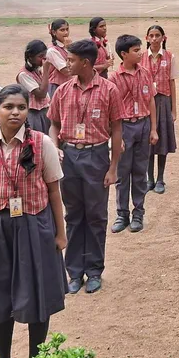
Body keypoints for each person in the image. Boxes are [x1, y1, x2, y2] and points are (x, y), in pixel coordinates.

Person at [0, 84, 68, 358]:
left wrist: (60, 234)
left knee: (38, 296)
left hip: (34, 226)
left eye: (21, 107)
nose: (15, 112)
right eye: (8, 107)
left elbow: (53, 191)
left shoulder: (40, 143)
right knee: (0, 298)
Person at [47, 39, 123, 295]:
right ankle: (74, 271)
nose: (67, 64)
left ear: (86, 62)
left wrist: (113, 168)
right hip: (69, 157)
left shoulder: (109, 90)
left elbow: (116, 129)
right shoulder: (62, 91)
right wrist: (55, 146)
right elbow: (54, 124)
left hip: (96, 156)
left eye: (71, 60)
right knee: (73, 215)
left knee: (96, 216)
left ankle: (94, 270)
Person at [110, 34, 159, 234]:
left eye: (140, 49)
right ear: (124, 54)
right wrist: (116, 137)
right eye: (136, 50)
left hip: (143, 124)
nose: (140, 53)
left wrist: (154, 128)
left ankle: (138, 212)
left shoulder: (145, 73)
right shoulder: (114, 78)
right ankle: (122, 214)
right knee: (122, 173)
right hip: (124, 127)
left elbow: (151, 101)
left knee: (140, 171)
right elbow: (110, 110)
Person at [145, 24, 179, 194]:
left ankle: (160, 178)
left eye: (157, 35)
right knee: (149, 141)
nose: (154, 39)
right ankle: (149, 178)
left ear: (163, 38)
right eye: (151, 35)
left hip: (163, 101)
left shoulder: (169, 57)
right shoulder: (142, 57)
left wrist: (174, 109)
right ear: (147, 38)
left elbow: (172, 82)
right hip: (146, 103)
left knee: (163, 140)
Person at [17, 39, 53, 134]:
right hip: (33, 114)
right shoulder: (23, 75)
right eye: (40, 56)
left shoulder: (36, 70)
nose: (43, 60)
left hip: (43, 111)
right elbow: (41, 94)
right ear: (30, 57)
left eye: (44, 56)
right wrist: (46, 71)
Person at [47, 19, 72, 97]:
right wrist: (69, 49)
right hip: (57, 86)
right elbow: (66, 71)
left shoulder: (66, 46)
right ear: (54, 32)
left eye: (67, 29)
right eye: (62, 30)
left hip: (68, 84)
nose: (66, 33)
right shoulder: (52, 50)